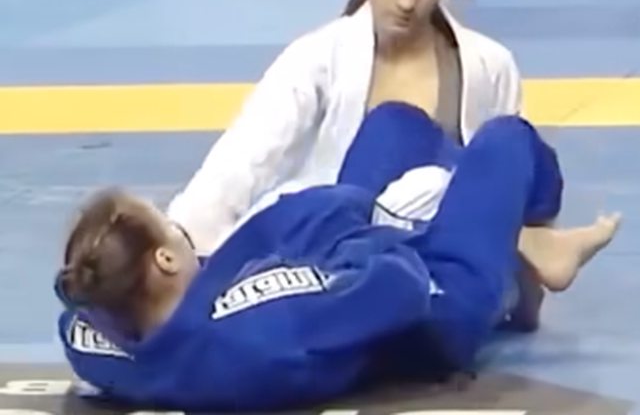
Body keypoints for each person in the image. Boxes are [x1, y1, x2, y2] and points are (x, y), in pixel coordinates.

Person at [56, 103, 620, 412]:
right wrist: (376, 226)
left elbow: (74, 313)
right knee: (506, 139)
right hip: (432, 307)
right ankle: (531, 251)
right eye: (168, 224)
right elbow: (398, 287)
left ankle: (496, 230)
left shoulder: (111, 340)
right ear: (164, 262)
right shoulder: (255, 330)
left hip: (332, 248)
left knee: (395, 124)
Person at [167, 0, 542, 330]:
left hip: (441, 261)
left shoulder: (489, 66)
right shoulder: (319, 57)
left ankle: (522, 261)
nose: (407, 0)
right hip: (333, 260)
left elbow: (507, 181)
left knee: (500, 154)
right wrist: (180, 242)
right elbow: (248, 154)